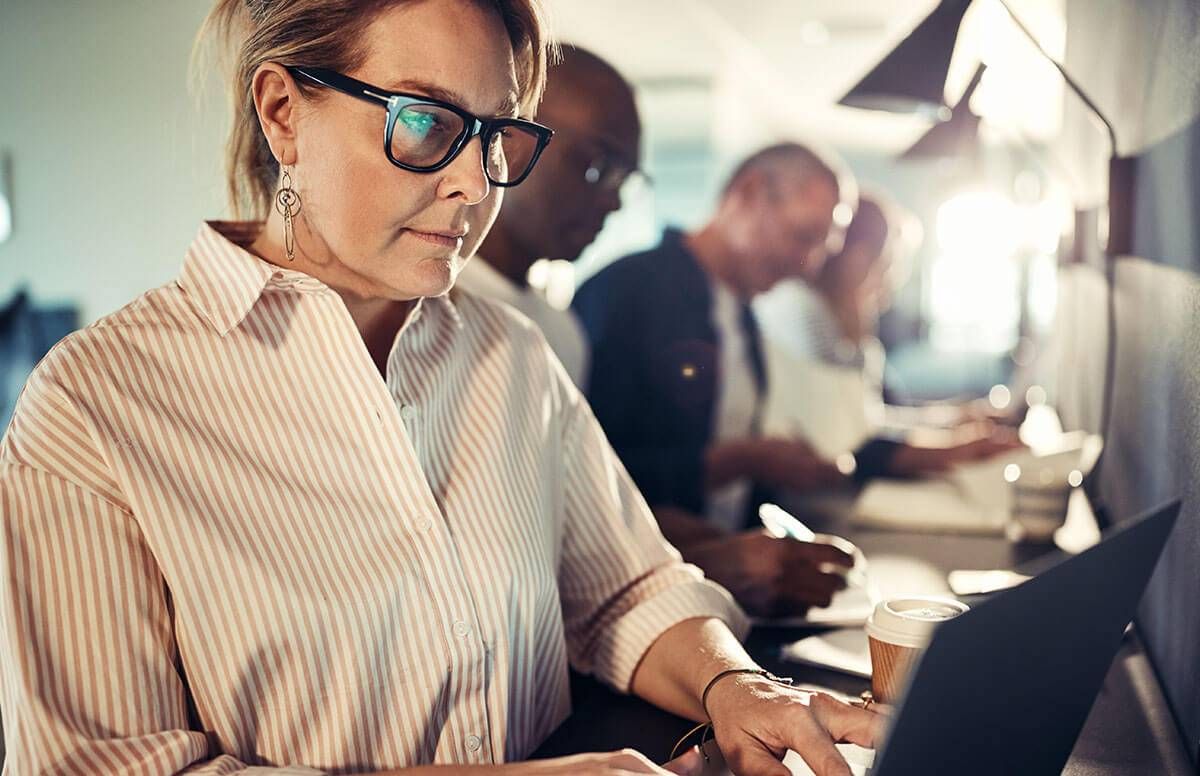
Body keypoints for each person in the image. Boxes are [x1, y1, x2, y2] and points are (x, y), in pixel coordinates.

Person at [0, 2, 879, 775]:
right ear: (282, 115)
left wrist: (734, 684)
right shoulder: (96, 406)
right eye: (425, 121)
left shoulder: (511, 354)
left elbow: (626, 590)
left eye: (498, 135)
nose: (474, 184)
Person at [573, 143, 871, 617]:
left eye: (821, 247)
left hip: (720, 596)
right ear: (748, 193)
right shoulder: (628, 290)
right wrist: (743, 459)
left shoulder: (745, 316)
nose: (808, 264)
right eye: (802, 236)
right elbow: (590, 476)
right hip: (631, 603)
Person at [755, 193, 1022, 470]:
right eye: (887, 265)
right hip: (819, 498)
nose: (889, 284)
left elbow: (869, 421)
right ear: (859, 260)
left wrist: (952, 423)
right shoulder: (804, 314)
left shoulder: (836, 323)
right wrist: (956, 447)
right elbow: (851, 444)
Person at [465, 45, 642, 388]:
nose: (613, 201)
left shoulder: (565, 337)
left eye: (624, 179)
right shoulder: (412, 302)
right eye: (599, 165)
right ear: (509, 138)